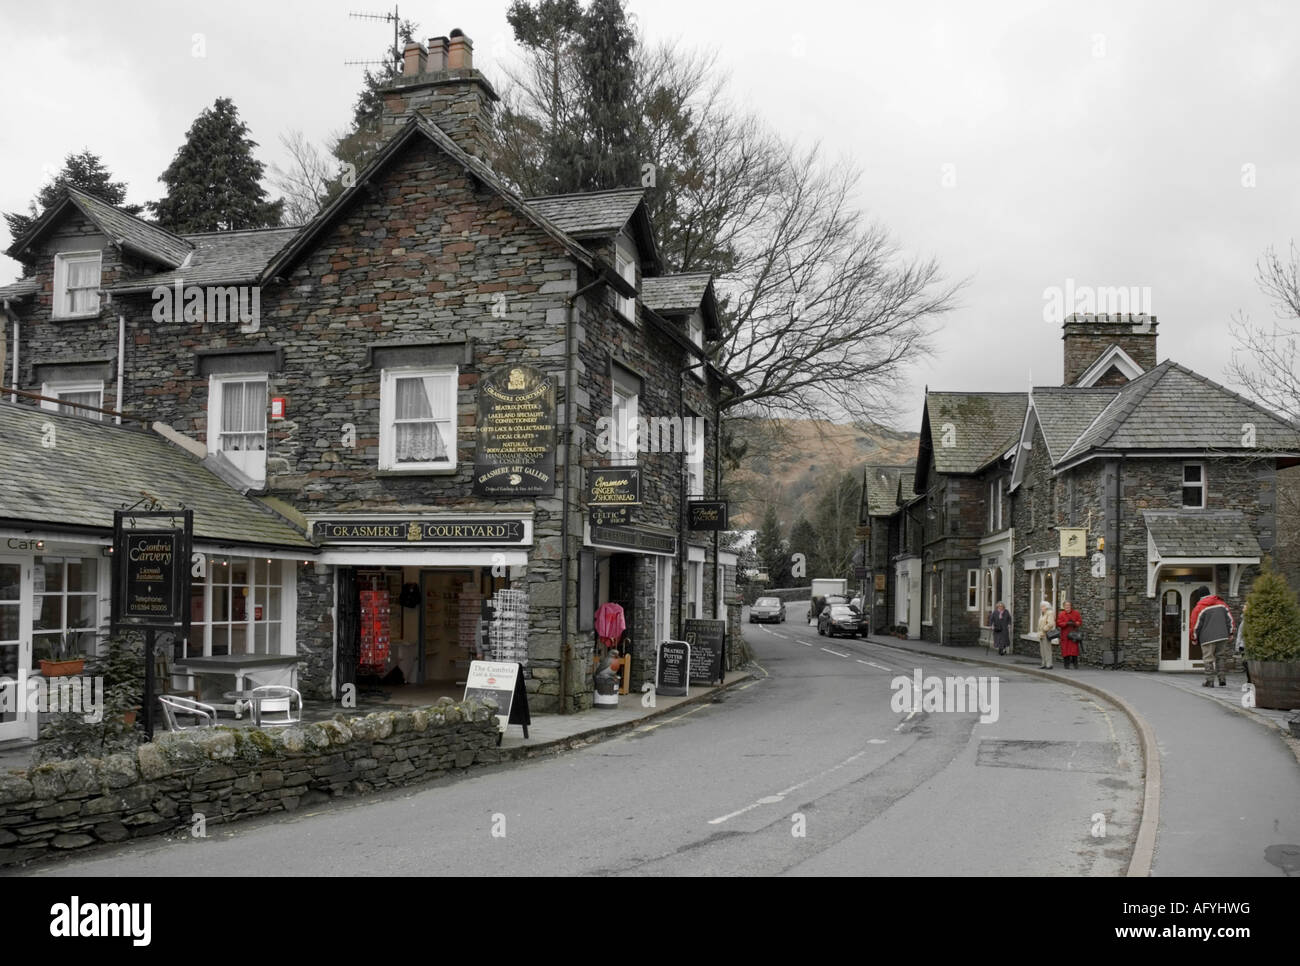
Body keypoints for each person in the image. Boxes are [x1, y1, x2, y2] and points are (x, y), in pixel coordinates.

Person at [1190, 593, 1235, 687]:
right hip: (1222, 636)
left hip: (1207, 638)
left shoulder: (1199, 607)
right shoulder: (1222, 604)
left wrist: (1193, 637)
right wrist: (1230, 633)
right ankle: (1222, 679)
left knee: (1208, 658)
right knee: (1221, 657)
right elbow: (1230, 620)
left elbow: (1195, 625)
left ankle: (1209, 681)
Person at [1056, 600, 1082, 669]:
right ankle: (1066, 665)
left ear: (1071, 606)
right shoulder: (1061, 614)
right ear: (1064, 606)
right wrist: (1066, 623)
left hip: (1073, 635)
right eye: (1066, 605)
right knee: (1065, 650)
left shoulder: (1076, 613)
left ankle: (1075, 664)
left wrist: (1075, 623)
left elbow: (1079, 621)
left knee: (1074, 650)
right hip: (1065, 634)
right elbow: (1058, 623)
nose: (1067, 607)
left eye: (1069, 605)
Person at [1037, 600, 1055, 669]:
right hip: (1041, 634)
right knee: (1042, 650)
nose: (1041, 607)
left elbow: (1051, 623)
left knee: (1047, 649)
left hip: (1046, 634)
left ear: (1046, 607)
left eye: (1043, 606)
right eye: (1041, 606)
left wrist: (1044, 629)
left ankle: (1049, 664)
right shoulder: (1043, 613)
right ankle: (1043, 663)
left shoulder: (1050, 613)